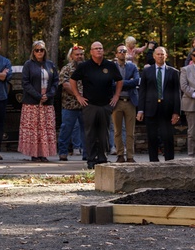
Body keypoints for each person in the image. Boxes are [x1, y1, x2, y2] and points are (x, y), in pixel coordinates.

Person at [71, 41, 122, 169]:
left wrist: (116, 96)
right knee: (90, 133)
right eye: (96, 48)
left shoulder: (110, 65)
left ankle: (102, 158)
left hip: (106, 104)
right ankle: (91, 159)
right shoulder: (85, 66)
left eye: (100, 48)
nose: (99, 50)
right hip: (90, 105)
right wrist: (78, 96)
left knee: (104, 133)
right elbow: (72, 80)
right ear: (91, 52)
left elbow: (119, 80)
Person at [137, 47, 182, 162]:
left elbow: (177, 93)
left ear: (166, 56)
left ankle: (169, 162)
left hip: (167, 109)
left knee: (168, 137)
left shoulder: (173, 72)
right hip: (150, 108)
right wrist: (140, 110)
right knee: (152, 137)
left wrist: (176, 112)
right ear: (154, 56)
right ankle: (153, 162)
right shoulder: (147, 71)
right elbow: (142, 91)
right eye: (158, 54)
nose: (160, 56)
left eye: (162, 54)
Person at [18, 40, 58, 162]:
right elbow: (25, 83)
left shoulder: (50, 65)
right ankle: (34, 154)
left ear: (45, 51)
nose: (39, 52)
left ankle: (44, 154)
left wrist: (48, 95)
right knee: (34, 129)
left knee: (45, 129)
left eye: (42, 50)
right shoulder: (28, 65)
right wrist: (38, 96)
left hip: (47, 102)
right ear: (33, 52)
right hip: (32, 102)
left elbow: (56, 82)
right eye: (37, 50)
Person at [58, 45, 86, 162]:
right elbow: (65, 84)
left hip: (85, 105)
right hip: (70, 105)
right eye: (77, 55)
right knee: (66, 129)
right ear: (71, 56)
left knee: (86, 130)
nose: (79, 56)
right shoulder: (66, 69)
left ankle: (87, 154)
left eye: (81, 54)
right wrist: (78, 95)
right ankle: (63, 152)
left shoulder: (88, 68)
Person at [112, 44, 139, 163]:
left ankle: (130, 156)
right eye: (120, 51)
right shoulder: (112, 67)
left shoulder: (132, 67)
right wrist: (128, 82)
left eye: (124, 51)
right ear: (116, 54)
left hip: (130, 101)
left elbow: (136, 81)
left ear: (127, 53)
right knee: (117, 130)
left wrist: (119, 83)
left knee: (130, 132)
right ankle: (120, 155)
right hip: (116, 102)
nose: (122, 53)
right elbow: (110, 84)